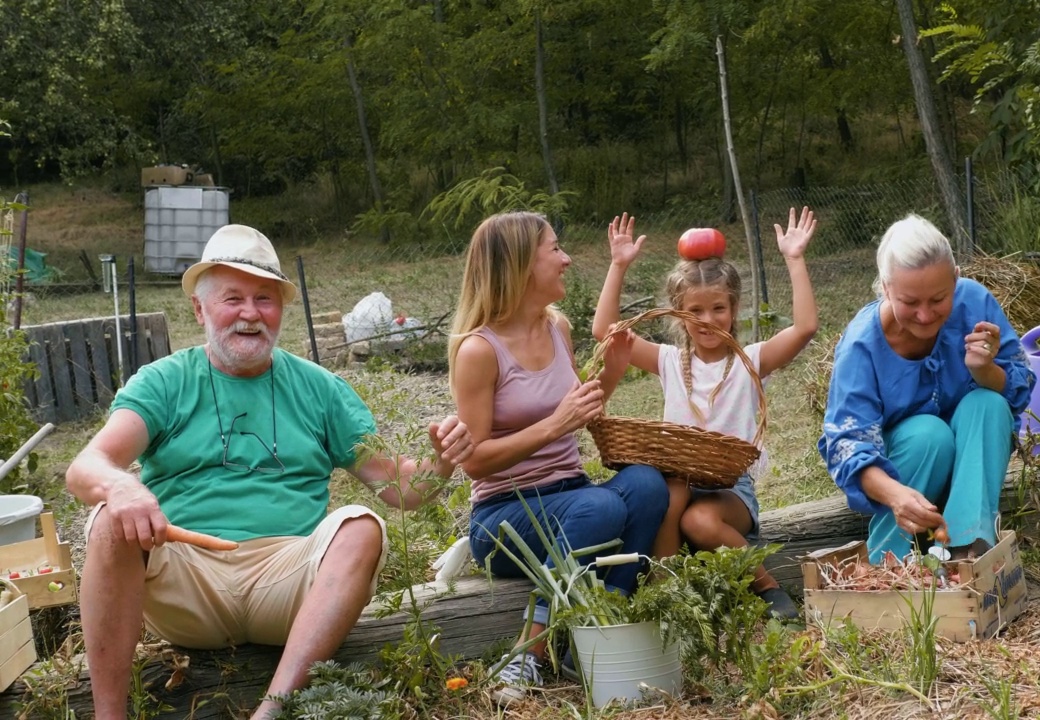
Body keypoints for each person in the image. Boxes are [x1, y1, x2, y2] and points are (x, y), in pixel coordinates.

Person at [65, 224, 474, 720]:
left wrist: (445, 459)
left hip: (287, 581)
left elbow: (402, 490)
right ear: (200, 309)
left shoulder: (321, 390)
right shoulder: (165, 381)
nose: (250, 313)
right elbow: (86, 466)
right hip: (184, 577)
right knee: (110, 520)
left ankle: (272, 712)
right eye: (232, 298)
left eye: (265, 298)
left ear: (281, 310)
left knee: (362, 527)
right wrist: (122, 486)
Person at [448, 211, 668, 706]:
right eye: (555, 249)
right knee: (604, 508)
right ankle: (533, 646)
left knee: (648, 485)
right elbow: (475, 462)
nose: (567, 258)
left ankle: (602, 629)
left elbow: (581, 412)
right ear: (523, 265)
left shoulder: (558, 328)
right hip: (504, 516)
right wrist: (552, 425)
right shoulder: (479, 351)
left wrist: (610, 372)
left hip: (571, 497)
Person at [591, 208, 819, 620]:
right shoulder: (667, 361)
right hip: (680, 486)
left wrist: (795, 259)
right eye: (694, 310)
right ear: (678, 311)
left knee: (697, 520)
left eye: (718, 308)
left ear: (733, 309)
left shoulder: (752, 360)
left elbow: (804, 328)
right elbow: (606, 329)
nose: (707, 320)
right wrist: (618, 264)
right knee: (672, 490)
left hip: (730, 494)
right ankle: (668, 586)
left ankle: (767, 588)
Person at [818, 214, 1035, 564]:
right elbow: (847, 445)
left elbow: (1018, 388)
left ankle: (968, 547)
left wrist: (986, 370)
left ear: (956, 279)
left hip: (972, 467)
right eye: (909, 302)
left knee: (989, 404)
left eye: (938, 300)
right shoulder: (861, 345)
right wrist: (895, 495)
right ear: (885, 289)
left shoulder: (976, 304)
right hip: (903, 477)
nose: (924, 315)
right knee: (928, 434)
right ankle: (889, 560)